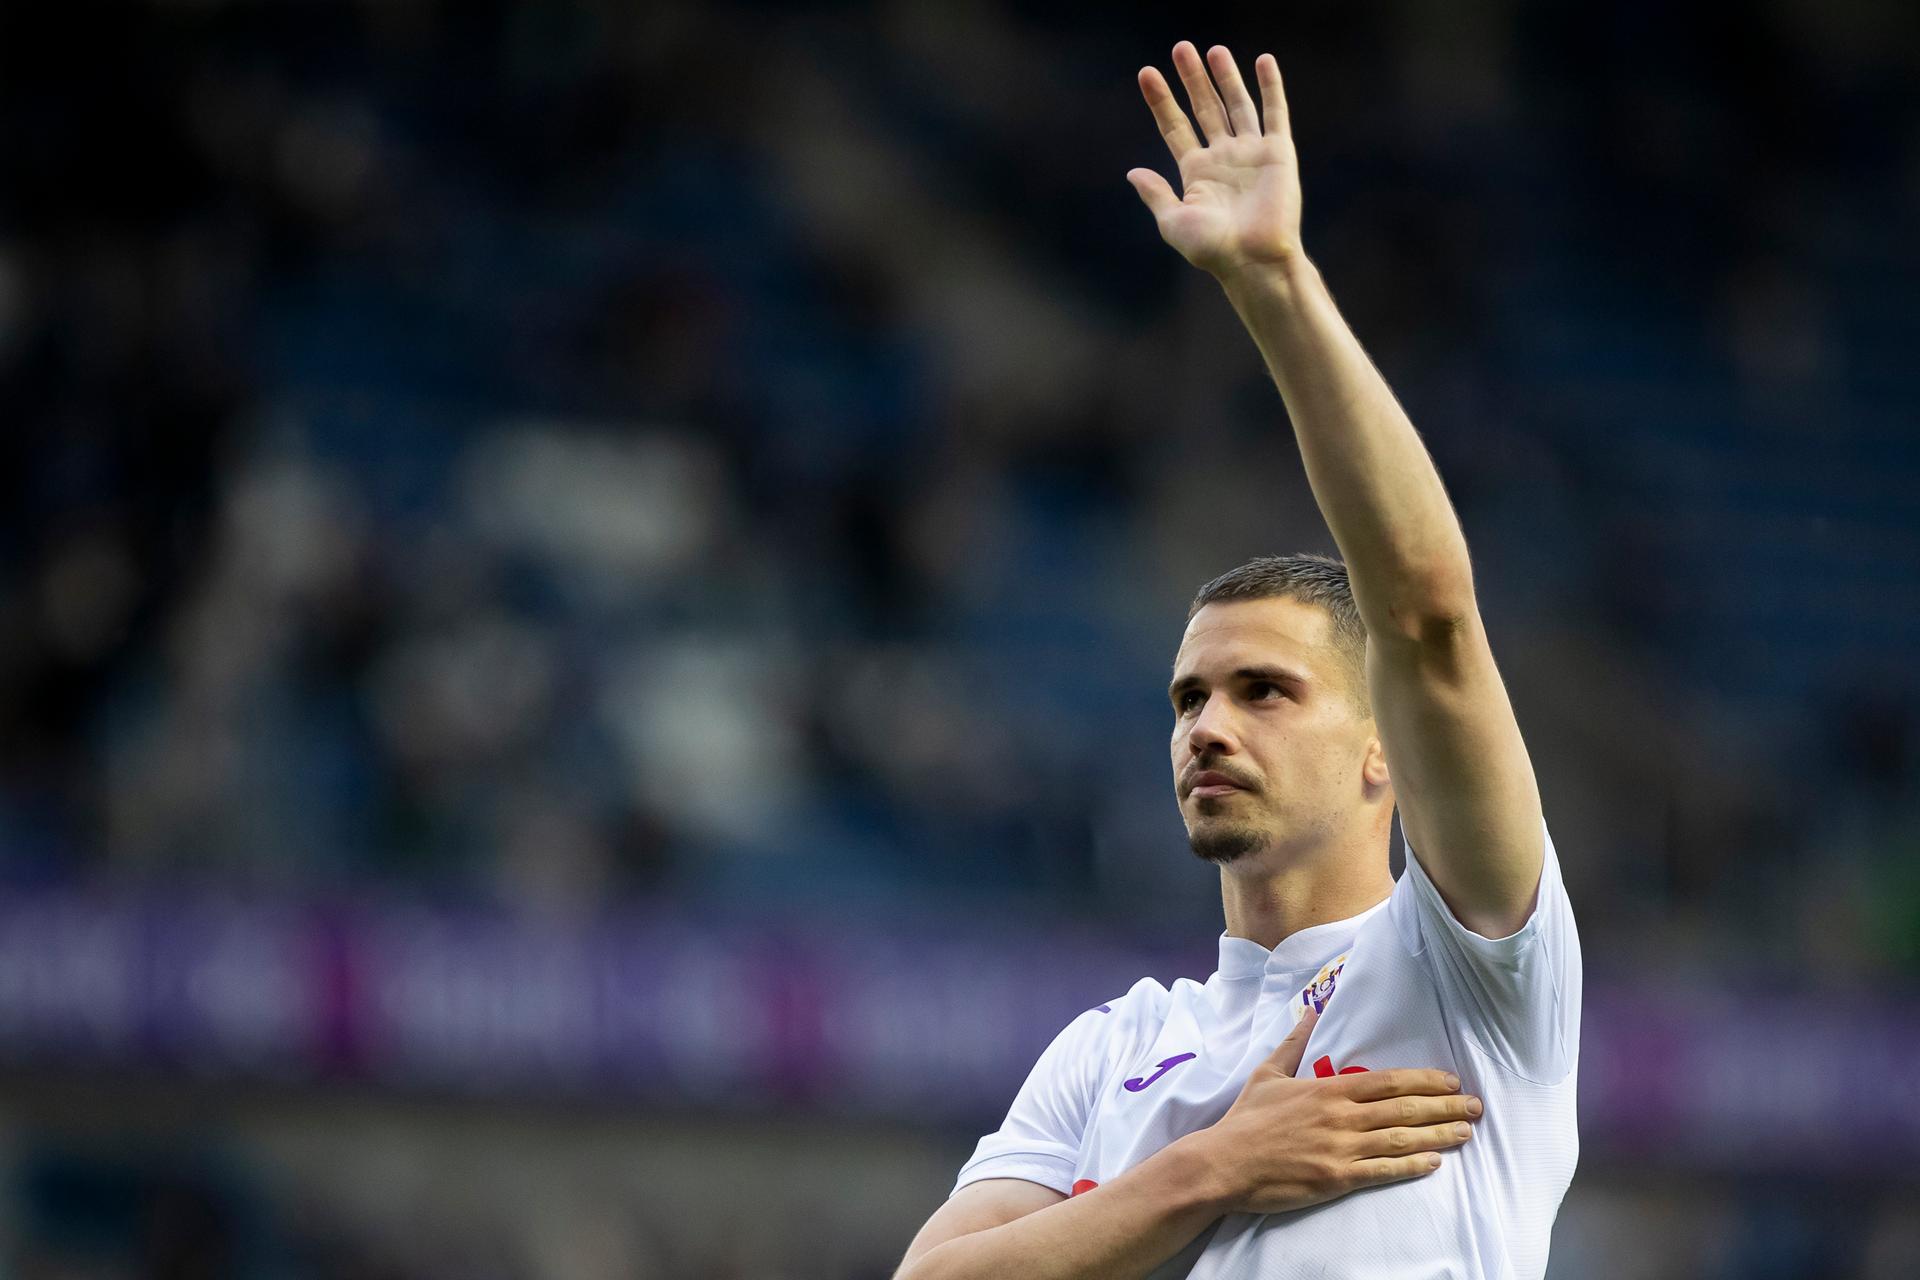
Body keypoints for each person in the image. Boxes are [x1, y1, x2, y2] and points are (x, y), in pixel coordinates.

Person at [894, 40, 1580, 1280]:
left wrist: (1273, 282)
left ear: (1385, 749)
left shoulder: (1477, 964)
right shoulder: (1116, 1045)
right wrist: (1215, 1165)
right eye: (1189, 695)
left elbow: (1427, 613)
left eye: (1266, 688)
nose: (1208, 723)